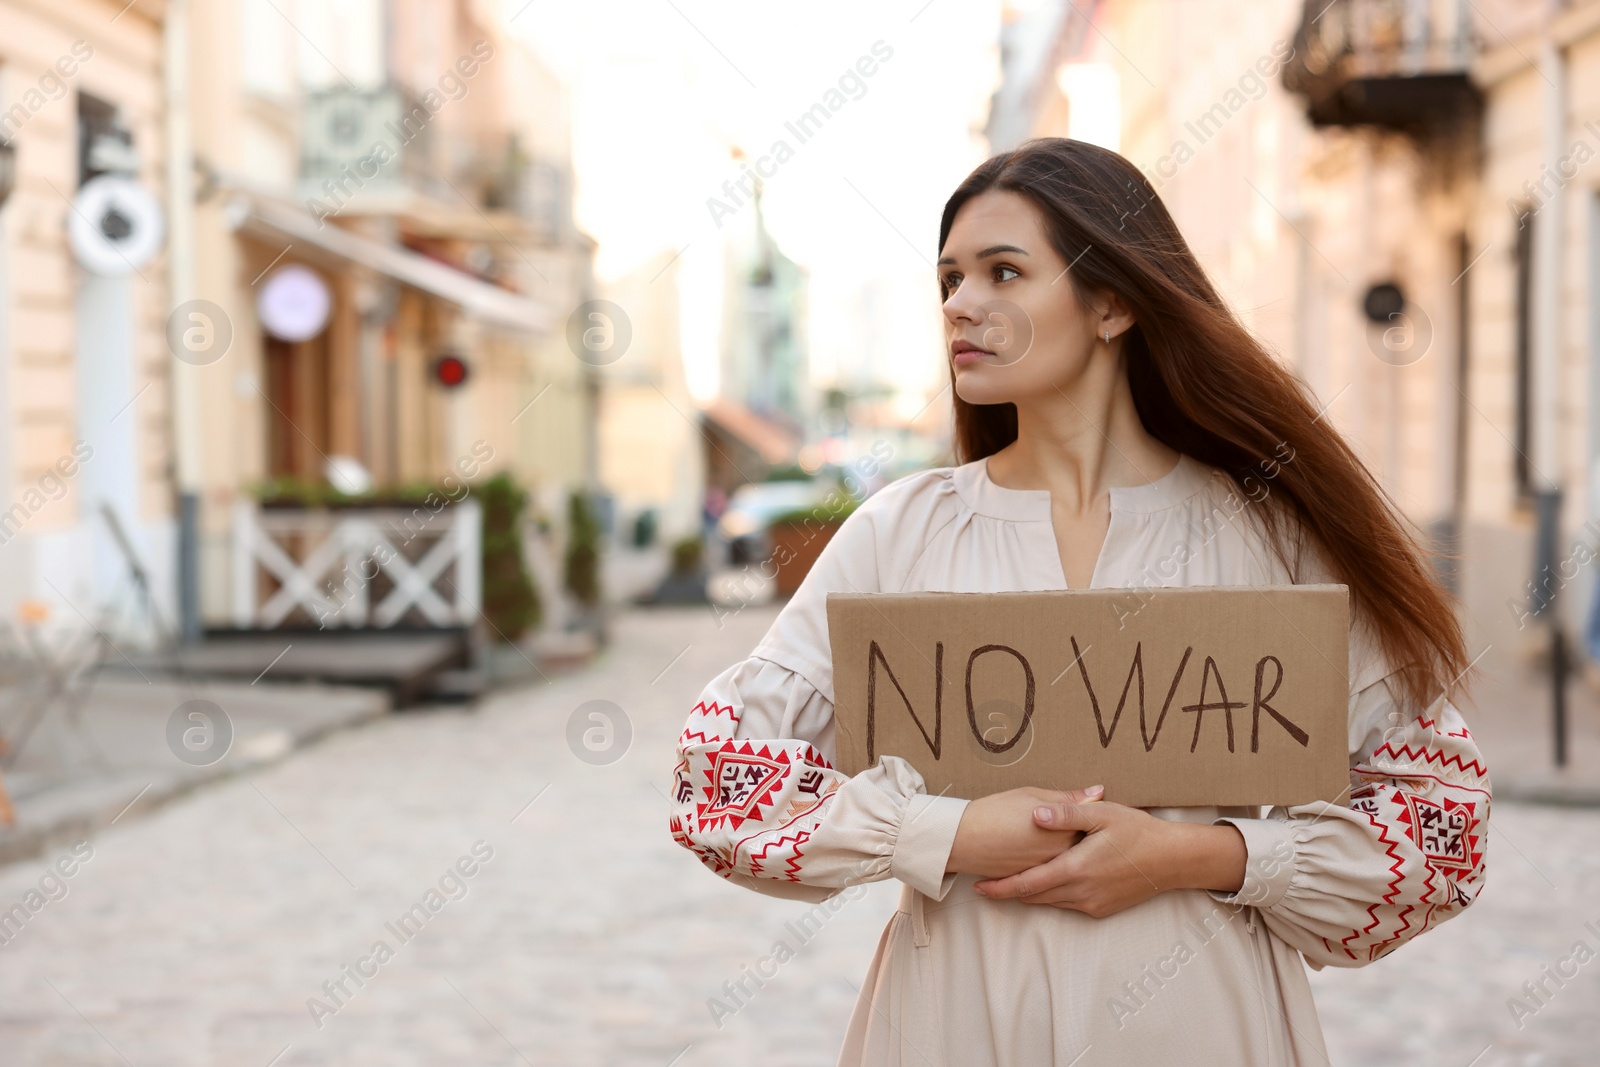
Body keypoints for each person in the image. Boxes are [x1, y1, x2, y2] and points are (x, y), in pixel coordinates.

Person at [667, 138, 1488, 1066]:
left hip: (1205, 1022)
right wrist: (951, 831)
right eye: (950, 278)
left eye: (1003, 272)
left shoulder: (1268, 538)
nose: (960, 306)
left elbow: (1441, 822)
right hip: (958, 1021)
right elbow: (716, 775)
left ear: (1112, 302)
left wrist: (1195, 854)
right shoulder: (902, 532)